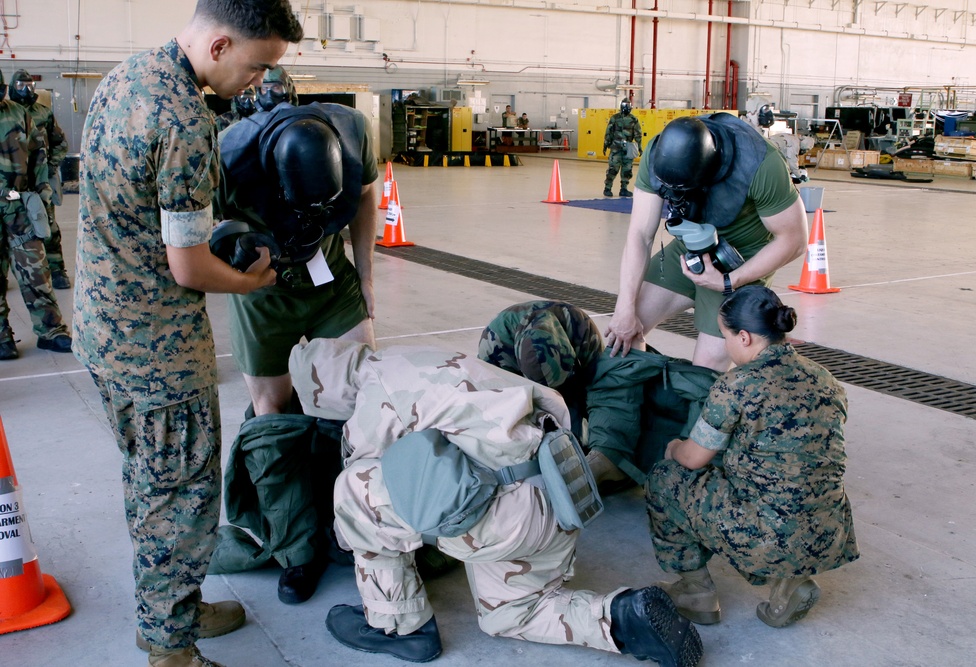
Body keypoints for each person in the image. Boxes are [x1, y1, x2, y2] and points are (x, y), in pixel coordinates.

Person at [72, 2, 302, 665]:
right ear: (223, 44)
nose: (258, 82)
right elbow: (190, 266)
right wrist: (252, 284)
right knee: (183, 494)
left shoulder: (129, 76)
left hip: (102, 328)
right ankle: (171, 645)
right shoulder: (182, 121)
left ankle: (169, 602)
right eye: (258, 66)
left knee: (148, 480)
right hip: (157, 349)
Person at [288, 337, 703, 667]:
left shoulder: (372, 392)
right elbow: (552, 404)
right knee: (512, 613)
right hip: (560, 494)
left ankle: (398, 628)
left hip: (502, 519)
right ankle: (622, 617)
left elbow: (376, 501)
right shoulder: (419, 356)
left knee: (354, 490)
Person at [212, 99, 378, 604]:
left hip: (330, 281)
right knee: (273, 419)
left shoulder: (352, 132)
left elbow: (367, 196)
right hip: (259, 292)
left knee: (362, 398)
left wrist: (366, 276)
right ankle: (295, 549)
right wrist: (240, 270)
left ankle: (352, 528)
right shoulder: (224, 158)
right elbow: (193, 240)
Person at [646, 285, 859, 629]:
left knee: (666, 478)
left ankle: (695, 591)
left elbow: (692, 459)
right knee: (778, 488)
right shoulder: (826, 379)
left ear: (744, 338)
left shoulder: (738, 384)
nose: (725, 344)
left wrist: (672, 447)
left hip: (768, 538)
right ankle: (789, 581)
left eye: (725, 335)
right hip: (828, 533)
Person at [605, 114, 808, 373]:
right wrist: (624, 306)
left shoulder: (761, 164)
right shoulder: (659, 155)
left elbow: (795, 240)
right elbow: (640, 235)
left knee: (705, 371)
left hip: (739, 259)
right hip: (690, 248)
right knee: (623, 335)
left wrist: (730, 281)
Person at [479, 301, 719, 490]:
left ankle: (605, 454)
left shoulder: (577, 325)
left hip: (571, 355)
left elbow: (601, 383)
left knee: (600, 391)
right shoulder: (494, 349)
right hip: (519, 370)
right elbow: (500, 408)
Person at [0, 69, 71, 361]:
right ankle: (2, 339)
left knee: (37, 271)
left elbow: (39, 153)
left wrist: (41, 193)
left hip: (20, 206)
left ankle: (51, 332)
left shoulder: (18, 113)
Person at [8, 68, 72, 289]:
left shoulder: (43, 113)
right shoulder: (6, 114)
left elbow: (60, 143)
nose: (26, 90)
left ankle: (57, 271)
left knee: (49, 227)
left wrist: (49, 165)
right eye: (20, 86)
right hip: (10, 185)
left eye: (30, 85)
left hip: (39, 182)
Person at [604, 97, 643, 197]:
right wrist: (606, 144)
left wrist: (639, 147)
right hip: (616, 148)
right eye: (627, 105)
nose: (628, 107)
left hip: (628, 148)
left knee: (627, 170)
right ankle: (607, 188)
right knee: (613, 169)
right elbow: (609, 132)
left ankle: (624, 189)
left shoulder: (633, 119)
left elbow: (638, 134)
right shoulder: (615, 118)